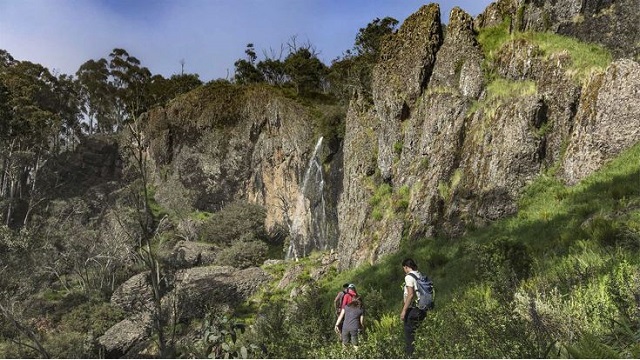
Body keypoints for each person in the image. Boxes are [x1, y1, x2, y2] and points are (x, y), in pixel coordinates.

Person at [401, 258, 428, 357]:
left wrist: (404, 311)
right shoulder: (419, 274)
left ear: (406, 267)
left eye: (404, 268)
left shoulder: (409, 277)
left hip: (413, 310)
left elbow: (410, 294)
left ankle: (411, 356)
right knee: (420, 334)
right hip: (422, 309)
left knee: (410, 339)